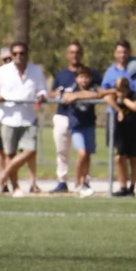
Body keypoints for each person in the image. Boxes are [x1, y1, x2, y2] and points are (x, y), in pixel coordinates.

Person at [0, 42, 48, 196]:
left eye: (22, 53)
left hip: (28, 118)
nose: (19, 57)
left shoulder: (36, 71)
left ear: (27, 54)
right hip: (8, 118)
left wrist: (42, 95)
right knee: (10, 154)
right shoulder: (2, 71)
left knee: (30, 150)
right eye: (15, 54)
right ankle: (15, 187)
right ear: (12, 55)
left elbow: (43, 89)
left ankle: (2, 175)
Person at [102, 40, 136, 197]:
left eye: (125, 52)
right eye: (119, 52)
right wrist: (118, 107)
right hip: (117, 118)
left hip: (134, 118)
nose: (122, 55)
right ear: (115, 53)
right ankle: (123, 186)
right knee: (120, 156)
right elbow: (104, 93)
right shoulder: (110, 71)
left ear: (129, 52)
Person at [49, 42, 87, 193]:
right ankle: (62, 181)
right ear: (67, 55)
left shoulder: (87, 73)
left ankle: (84, 180)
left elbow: (98, 90)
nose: (74, 55)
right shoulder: (61, 75)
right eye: (71, 52)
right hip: (63, 115)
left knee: (83, 151)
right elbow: (52, 93)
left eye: (77, 52)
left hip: (81, 117)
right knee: (62, 151)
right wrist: (60, 93)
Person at [61, 64, 102, 197]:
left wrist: (77, 96)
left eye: (86, 77)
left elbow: (98, 95)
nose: (84, 80)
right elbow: (66, 97)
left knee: (88, 155)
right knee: (82, 153)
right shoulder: (71, 88)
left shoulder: (92, 88)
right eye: (81, 77)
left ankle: (85, 181)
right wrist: (75, 95)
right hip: (76, 126)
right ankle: (77, 182)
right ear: (76, 78)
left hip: (89, 125)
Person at [0, 46, 14, 193]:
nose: (8, 61)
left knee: (12, 151)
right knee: (1, 150)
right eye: (4, 59)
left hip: (16, 116)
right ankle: (3, 183)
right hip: (0, 114)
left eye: (10, 59)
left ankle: (5, 177)